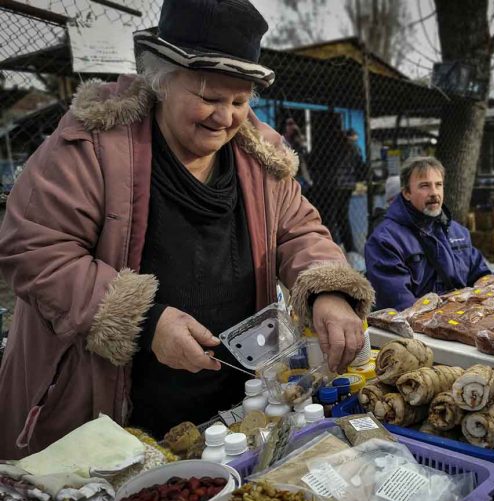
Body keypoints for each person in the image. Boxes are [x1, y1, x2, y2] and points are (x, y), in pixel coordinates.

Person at [0, 0, 374, 458]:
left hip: (231, 405)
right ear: (161, 80)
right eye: (209, 98)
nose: (225, 117)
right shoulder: (91, 147)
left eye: (239, 101)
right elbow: (35, 249)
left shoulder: (262, 158)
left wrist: (328, 291)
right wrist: (147, 322)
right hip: (106, 408)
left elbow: (299, 233)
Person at [365, 156, 490, 310]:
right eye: (424, 186)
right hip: (416, 327)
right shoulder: (385, 240)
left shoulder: (457, 231)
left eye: (438, 185)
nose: (434, 192)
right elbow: (400, 303)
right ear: (407, 193)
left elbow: (482, 276)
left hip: (461, 318)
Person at [282, 117, 313, 193]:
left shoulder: (297, 137)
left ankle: (307, 181)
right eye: (288, 125)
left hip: (298, 159)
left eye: (292, 124)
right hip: (288, 159)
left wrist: (298, 131)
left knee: (301, 162)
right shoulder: (283, 137)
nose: (290, 127)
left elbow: (304, 144)